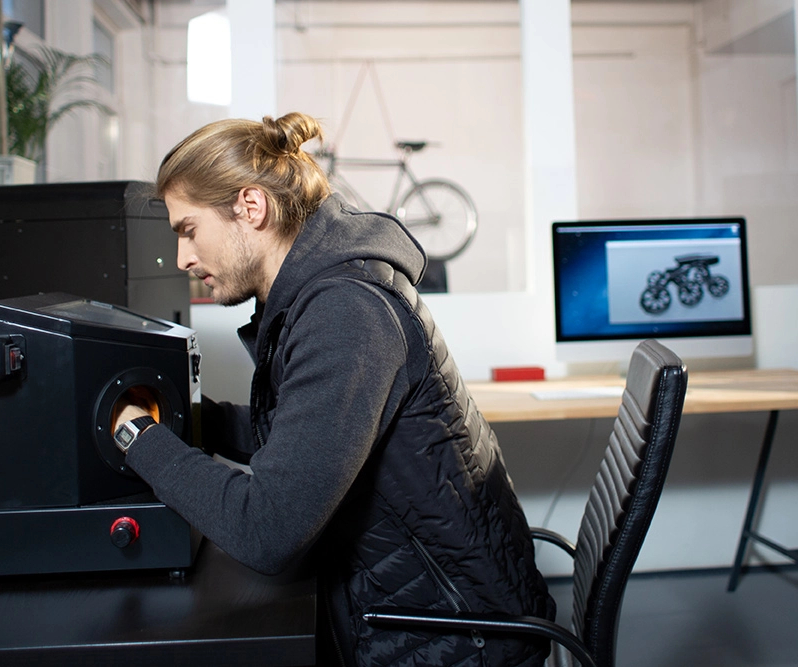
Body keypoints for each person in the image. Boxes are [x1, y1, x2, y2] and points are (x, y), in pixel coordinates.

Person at [112, 112, 555, 666]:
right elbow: (308, 435)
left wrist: (136, 436)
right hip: (426, 606)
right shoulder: (325, 293)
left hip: (455, 635)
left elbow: (267, 529)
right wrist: (187, 423)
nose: (182, 258)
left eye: (188, 229)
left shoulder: (345, 313)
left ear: (251, 208)